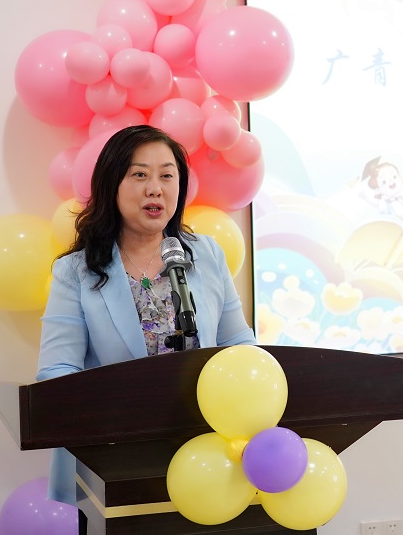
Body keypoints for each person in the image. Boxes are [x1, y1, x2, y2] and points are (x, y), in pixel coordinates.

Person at [35, 125, 256, 524]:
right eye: (140, 174)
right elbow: (57, 371)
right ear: (112, 185)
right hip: (116, 457)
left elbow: (239, 344)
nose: (155, 188)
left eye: (167, 175)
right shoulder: (77, 271)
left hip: (208, 455)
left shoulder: (205, 255)